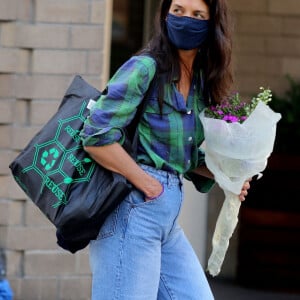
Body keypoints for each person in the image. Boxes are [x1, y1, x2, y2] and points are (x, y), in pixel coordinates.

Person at [80, 0, 251, 298]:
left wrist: (229, 176)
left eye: (198, 15)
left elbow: (181, 157)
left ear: (212, 25)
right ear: (165, 15)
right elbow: (96, 136)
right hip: (133, 211)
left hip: (167, 219)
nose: (186, 20)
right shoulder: (146, 67)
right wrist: (148, 183)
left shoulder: (199, 80)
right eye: (178, 11)